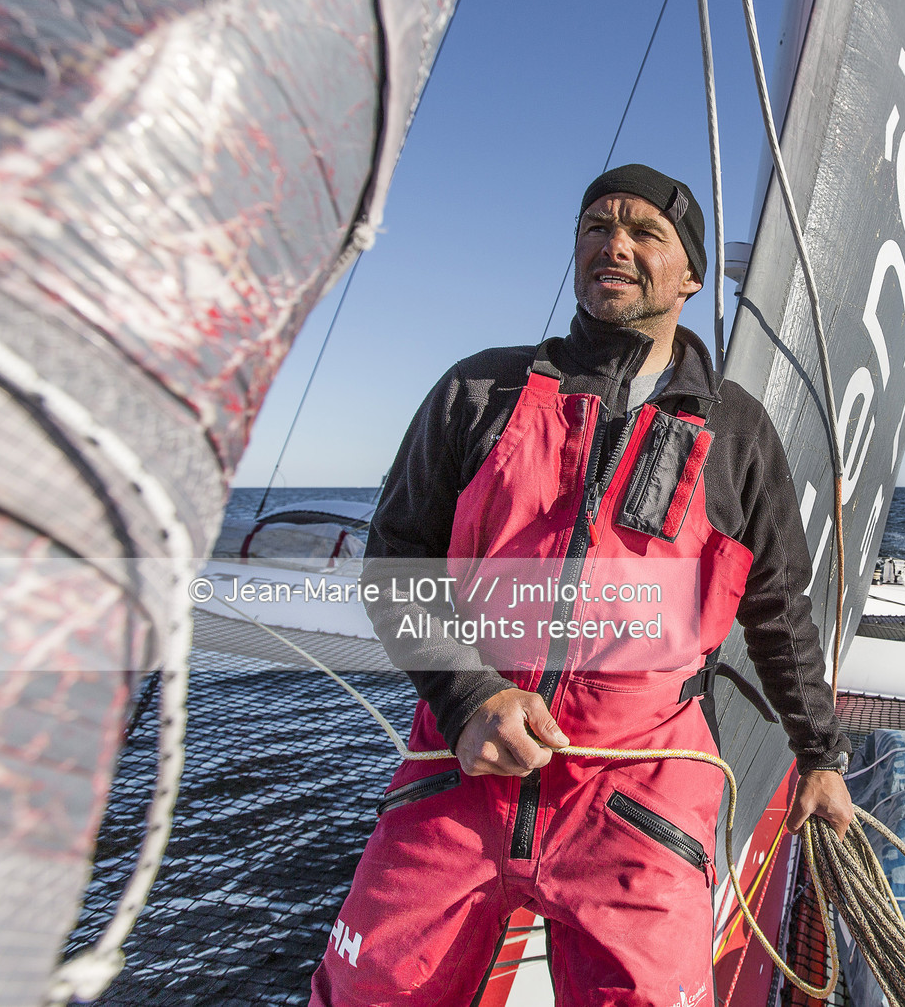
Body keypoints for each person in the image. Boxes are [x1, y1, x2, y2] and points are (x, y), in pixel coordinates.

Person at [310, 164, 853, 1007]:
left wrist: (819, 756)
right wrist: (466, 697)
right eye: (597, 227)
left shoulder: (739, 432)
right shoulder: (478, 390)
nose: (614, 244)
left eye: (644, 232)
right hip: (462, 767)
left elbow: (779, 612)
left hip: (641, 792)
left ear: (692, 275)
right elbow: (395, 561)